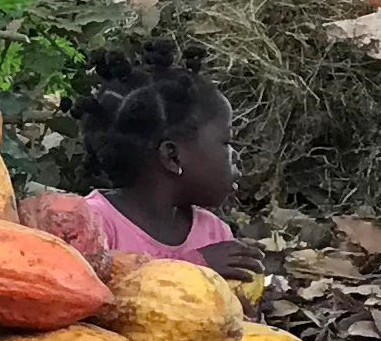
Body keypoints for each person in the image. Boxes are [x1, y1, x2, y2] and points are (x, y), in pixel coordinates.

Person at [76, 40, 265, 275]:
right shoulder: (93, 223)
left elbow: (226, 310)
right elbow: (85, 299)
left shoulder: (215, 233)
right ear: (172, 156)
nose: (235, 156)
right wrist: (194, 267)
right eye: (226, 142)